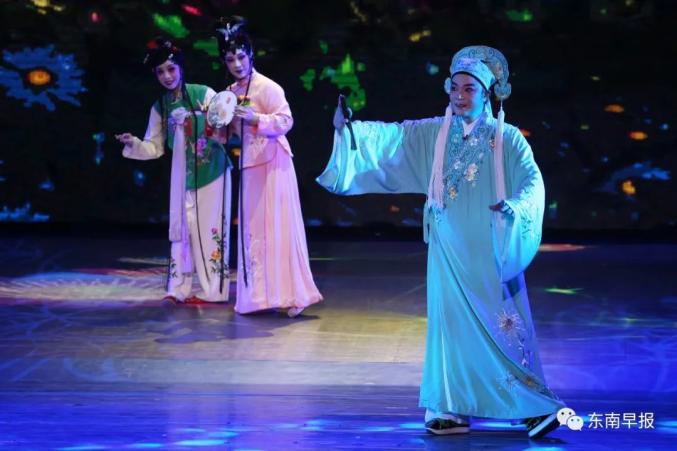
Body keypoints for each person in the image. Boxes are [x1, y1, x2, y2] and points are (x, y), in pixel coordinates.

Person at [317, 46, 565, 438]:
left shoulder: (507, 138)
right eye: (454, 88)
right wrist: (351, 130)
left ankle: (532, 406)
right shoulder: (436, 133)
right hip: (448, 249)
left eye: (469, 89)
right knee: (450, 327)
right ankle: (449, 406)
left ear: (487, 93)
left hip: (490, 246)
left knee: (501, 325)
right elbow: (392, 139)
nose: (460, 96)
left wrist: (515, 208)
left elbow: (532, 181)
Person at [213, 17, 322, 316]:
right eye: (230, 59)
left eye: (241, 57)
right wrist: (216, 124)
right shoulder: (229, 93)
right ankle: (259, 297)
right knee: (253, 229)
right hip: (250, 164)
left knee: (278, 226)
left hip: (274, 163)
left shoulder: (268, 87)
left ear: (251, 55)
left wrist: (256, 119)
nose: (237, 64)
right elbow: (227, 134)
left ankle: (294, 296)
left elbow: (286, 121)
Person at [116, 37, 232, 303]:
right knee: (182, 229)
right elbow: (154, 147)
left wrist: (198, 118)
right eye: (160, 72)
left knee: (210, 230)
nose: (167, 76)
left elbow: (225, 128)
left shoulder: (204, 94)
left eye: (171, 69)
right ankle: (178, 289)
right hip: (182, 176)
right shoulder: (160, 107)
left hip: (212, 172)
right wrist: (133, 143)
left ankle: (213, 292)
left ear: (180, 68)